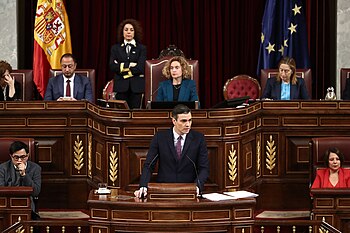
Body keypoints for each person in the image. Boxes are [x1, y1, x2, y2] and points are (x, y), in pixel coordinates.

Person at [134, 104, 209, 198]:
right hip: (163, 191)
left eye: (190, 120)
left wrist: (197, 186)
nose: (188, 124)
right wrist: (143, 186)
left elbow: (204, 168)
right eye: (183, 121)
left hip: (188, 191)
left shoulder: (198, 139)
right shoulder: (160, 138)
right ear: (174, 121)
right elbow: (149, 165)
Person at [109, 19, 147, 109]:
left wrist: (121, 66)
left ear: (135, 32)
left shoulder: (142, 48)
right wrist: (130, 65)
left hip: (136, 88)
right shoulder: (115, 48)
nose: (128, 32)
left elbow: (140, 68)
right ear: (122, 32)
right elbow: (112, 66)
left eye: (131, 30)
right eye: (126, 30)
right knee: (122, 115)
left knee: (135, 114)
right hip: (121, 87)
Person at [0, 141, 41, 212]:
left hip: (27, 204)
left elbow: (36, 192)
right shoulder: (2, 168)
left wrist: (24, 174)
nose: (19, 160)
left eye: (22, 157)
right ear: (11, 156)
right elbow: (2, 191)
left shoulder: (35, 168)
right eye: (16, 157)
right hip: (7, 204)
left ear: (27, 155)